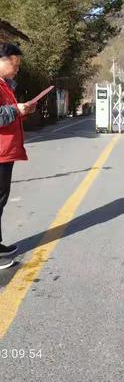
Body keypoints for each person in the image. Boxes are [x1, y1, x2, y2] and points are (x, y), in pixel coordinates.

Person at [0, 44, 36, 269]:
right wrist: (16, 110)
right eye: (14, 64)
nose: (17, 69)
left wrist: (22, 111)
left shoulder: (5, 86)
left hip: (6, 152)